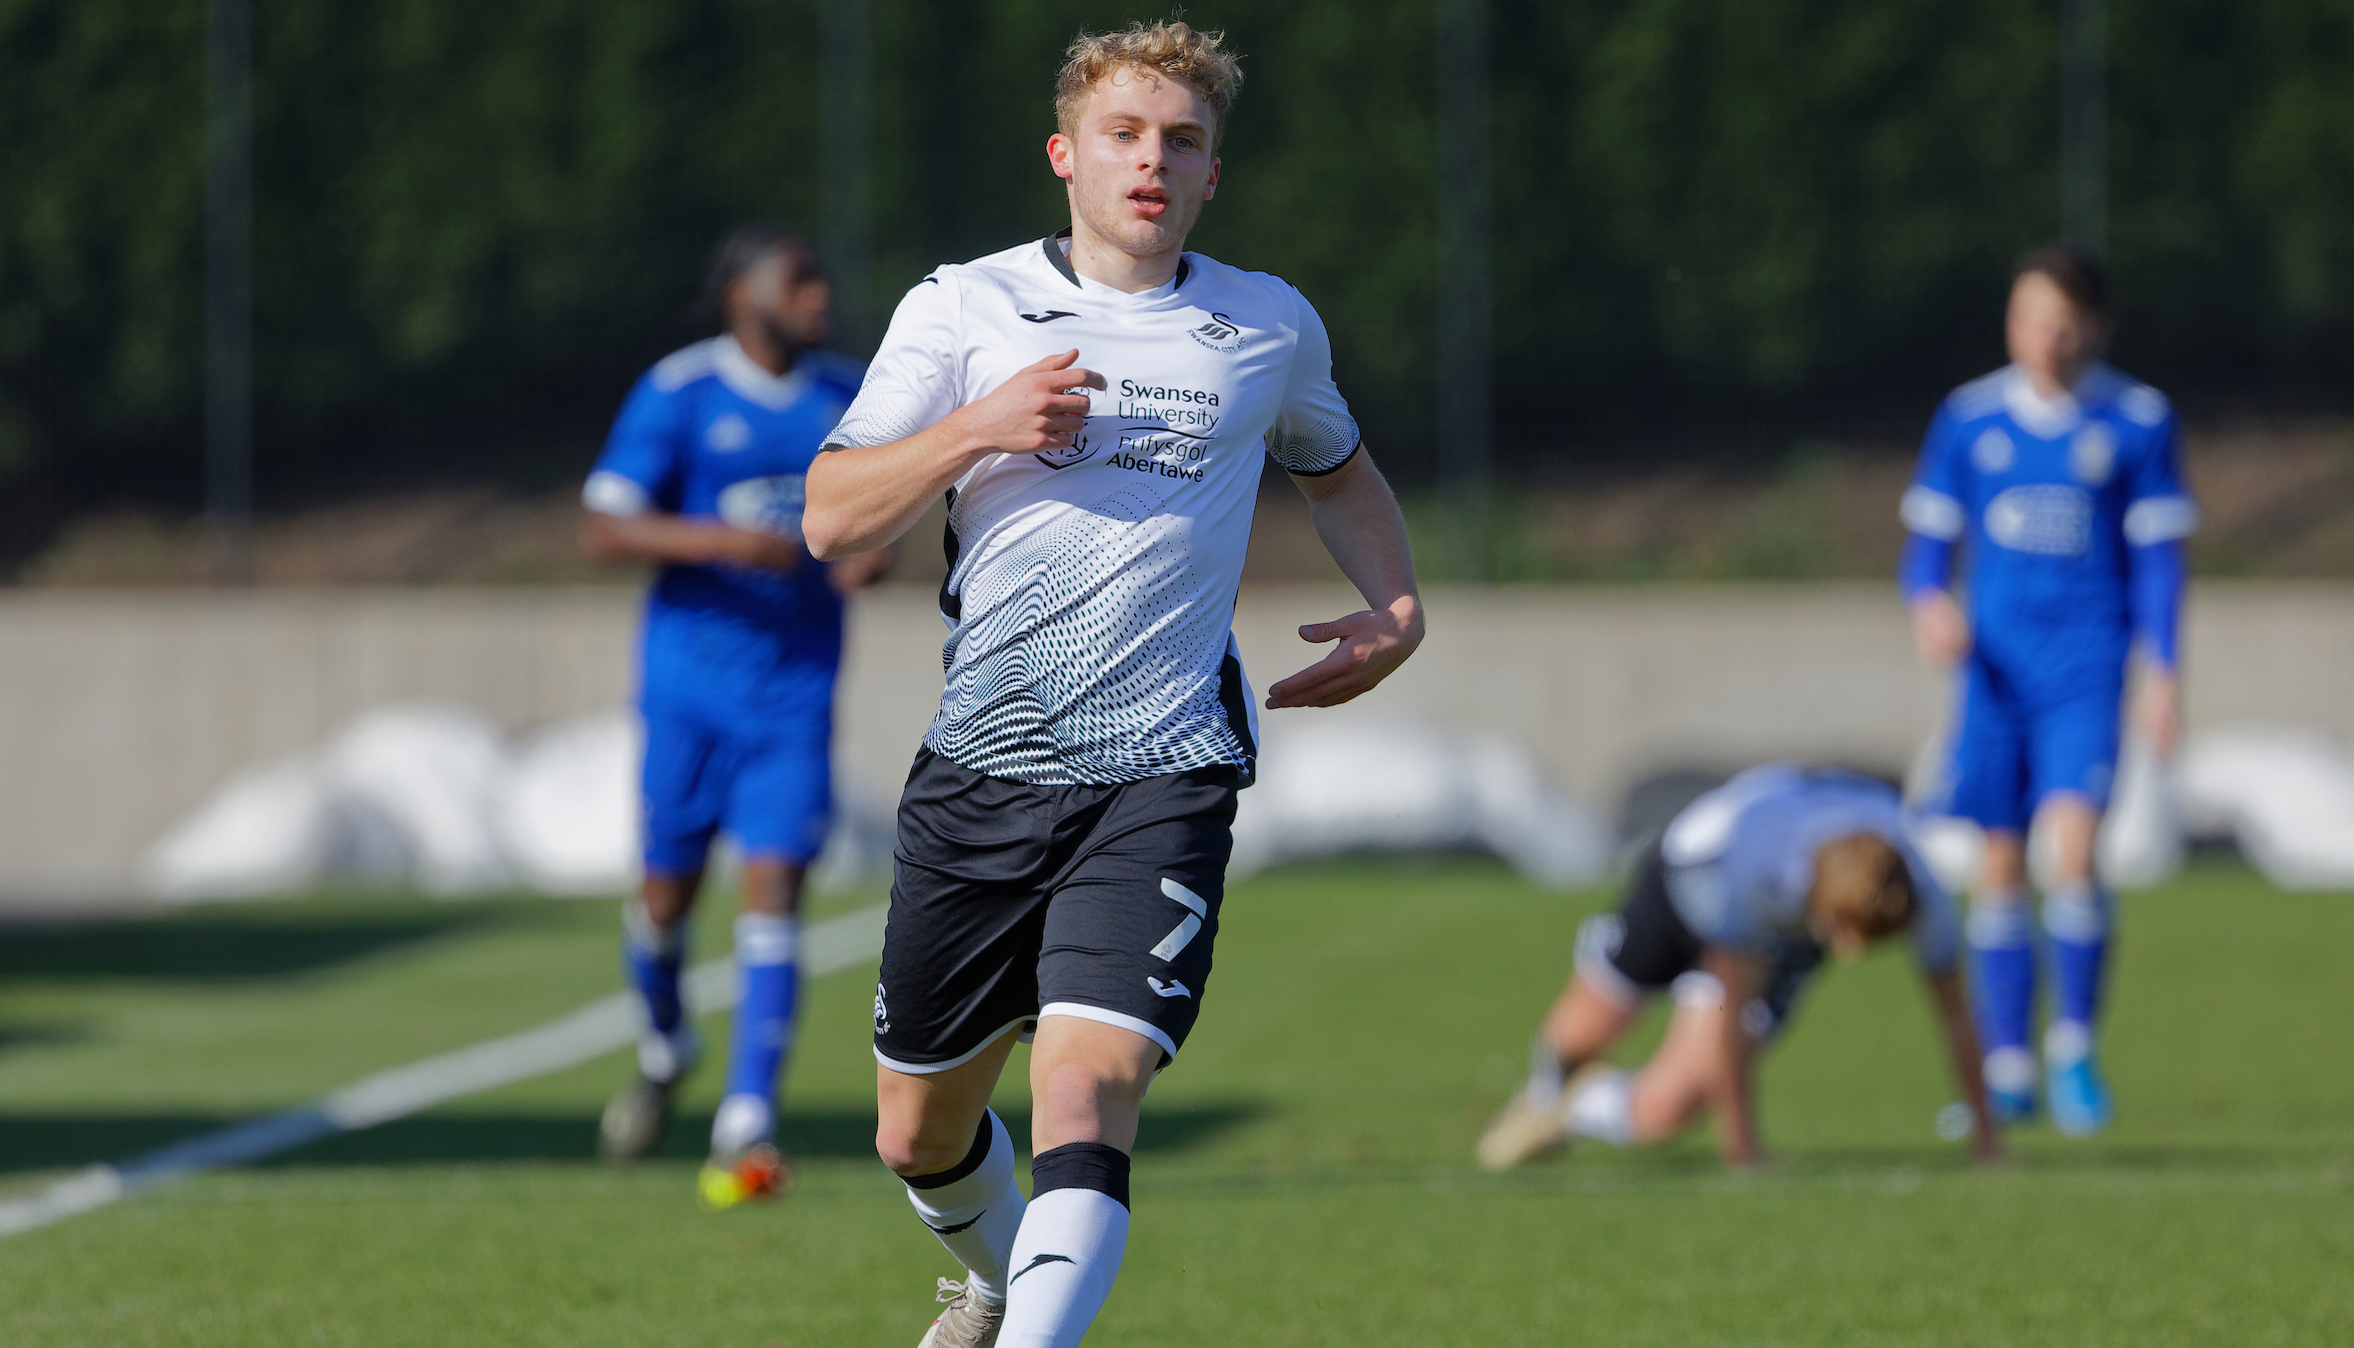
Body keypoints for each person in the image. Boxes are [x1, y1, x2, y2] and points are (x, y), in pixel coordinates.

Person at [802, 22, 1424, 1348]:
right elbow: (829, 516)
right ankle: (990, 1279)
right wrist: (978, 426)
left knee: (1088, 1089)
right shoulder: (960, 309)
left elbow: (1342, 471)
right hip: (979, 773)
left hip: (1163, 770)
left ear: (1213, 175)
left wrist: (1399, 605)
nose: (1153, 161)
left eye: (1182, 142)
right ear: (1065, 158)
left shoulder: (1266, 323)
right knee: (917, 1134)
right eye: (1126, 136)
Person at [578, 223, 894, 1207]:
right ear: (738, 298)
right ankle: (667, 1040)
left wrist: (872, 549)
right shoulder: (679, 393)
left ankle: (746, 1119)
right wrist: (724, 541)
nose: (817, 296)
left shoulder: (848, 394)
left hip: (793, 693)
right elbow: (602, 524)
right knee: (666, 896)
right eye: (796, 281)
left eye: (818, 279)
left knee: (776, 892)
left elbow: (889, 506)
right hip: (686, 695)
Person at [1898, 244, 2194, 1136]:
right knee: (1996, 864)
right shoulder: (1971, 418)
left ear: (2094, 328)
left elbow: (2159, 566)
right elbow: (1926, 548)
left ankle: (2071, 1048)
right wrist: (1928, 606)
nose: (2045, 341)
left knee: (2071, 854)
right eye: (2029, 321)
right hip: (1993, 676)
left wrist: (2165, 674)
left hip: (2085, 672)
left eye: (2063, 326)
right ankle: (2006, 1066)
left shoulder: (2137, 422)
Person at [1476, 764, 2002, 1171]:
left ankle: (1579, 1107)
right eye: (1843, 934)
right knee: (1573, 1038)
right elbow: (1729, 1008)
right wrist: (1742, 1149)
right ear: (1816, 899)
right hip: (1686, 879)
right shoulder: (1754, 876)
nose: (1851, 954)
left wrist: (1987, 1138)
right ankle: (1548, 1090)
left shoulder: (1920, 892)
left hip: (1782, 933)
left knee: (1667, 1111)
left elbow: (1956, 1013)